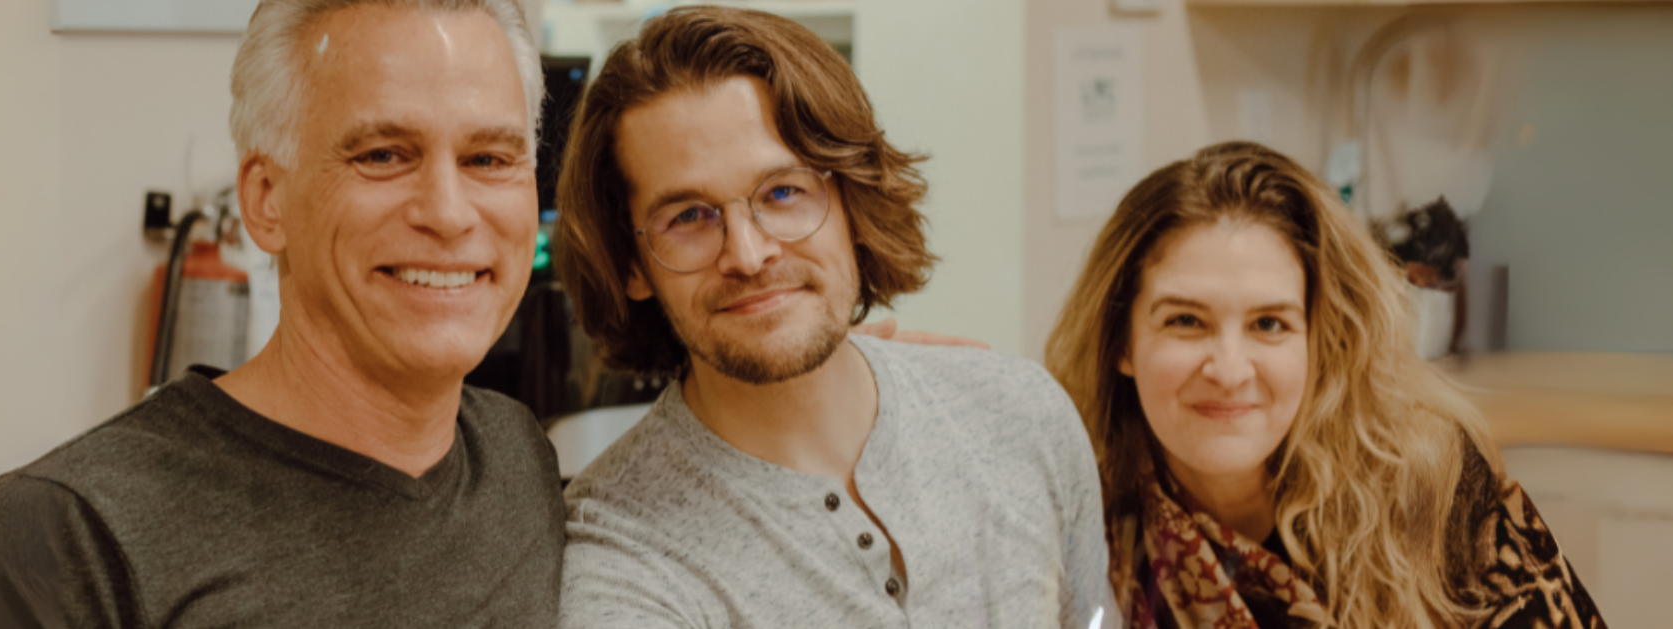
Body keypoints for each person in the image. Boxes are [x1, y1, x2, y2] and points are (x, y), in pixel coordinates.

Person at [0, 1, 564, 626]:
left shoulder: (519, 461)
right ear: (266, 199)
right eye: (382, 155)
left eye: (488, 159)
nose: (448, 213)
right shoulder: (59, 541)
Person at [551, 7, 1115, 629]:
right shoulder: (620, 554)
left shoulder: (1023, 418)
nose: (748, 254)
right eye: (687, 217)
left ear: (853, 200)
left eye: (782, 192)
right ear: (632, 265)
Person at [1043, 142, 1603, 628]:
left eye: (1269, 324)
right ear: (1121, 343)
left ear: (1321, 343)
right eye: (1185, 321)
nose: (1230, 371)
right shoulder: (1083, 519)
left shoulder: (1432, 485)